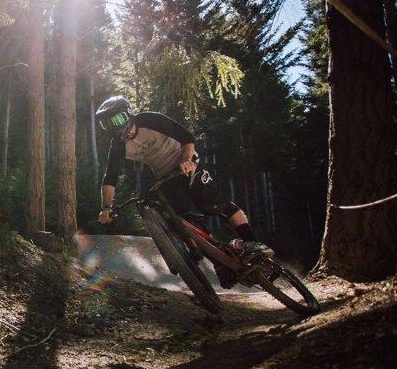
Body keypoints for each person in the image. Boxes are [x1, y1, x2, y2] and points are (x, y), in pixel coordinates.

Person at [94, 96, 273, 281]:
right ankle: (221, 261)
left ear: (129, 114)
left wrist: (186, 160)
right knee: (180, 221)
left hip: (186, 162)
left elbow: (187, 137)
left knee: (211, 203)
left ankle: (253, 242)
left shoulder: (150, 120)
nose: (115, 125)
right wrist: (106, 208)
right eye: (107, 123)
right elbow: (110, 178)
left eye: (117, 119)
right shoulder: (117, 146)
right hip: (165, 177)